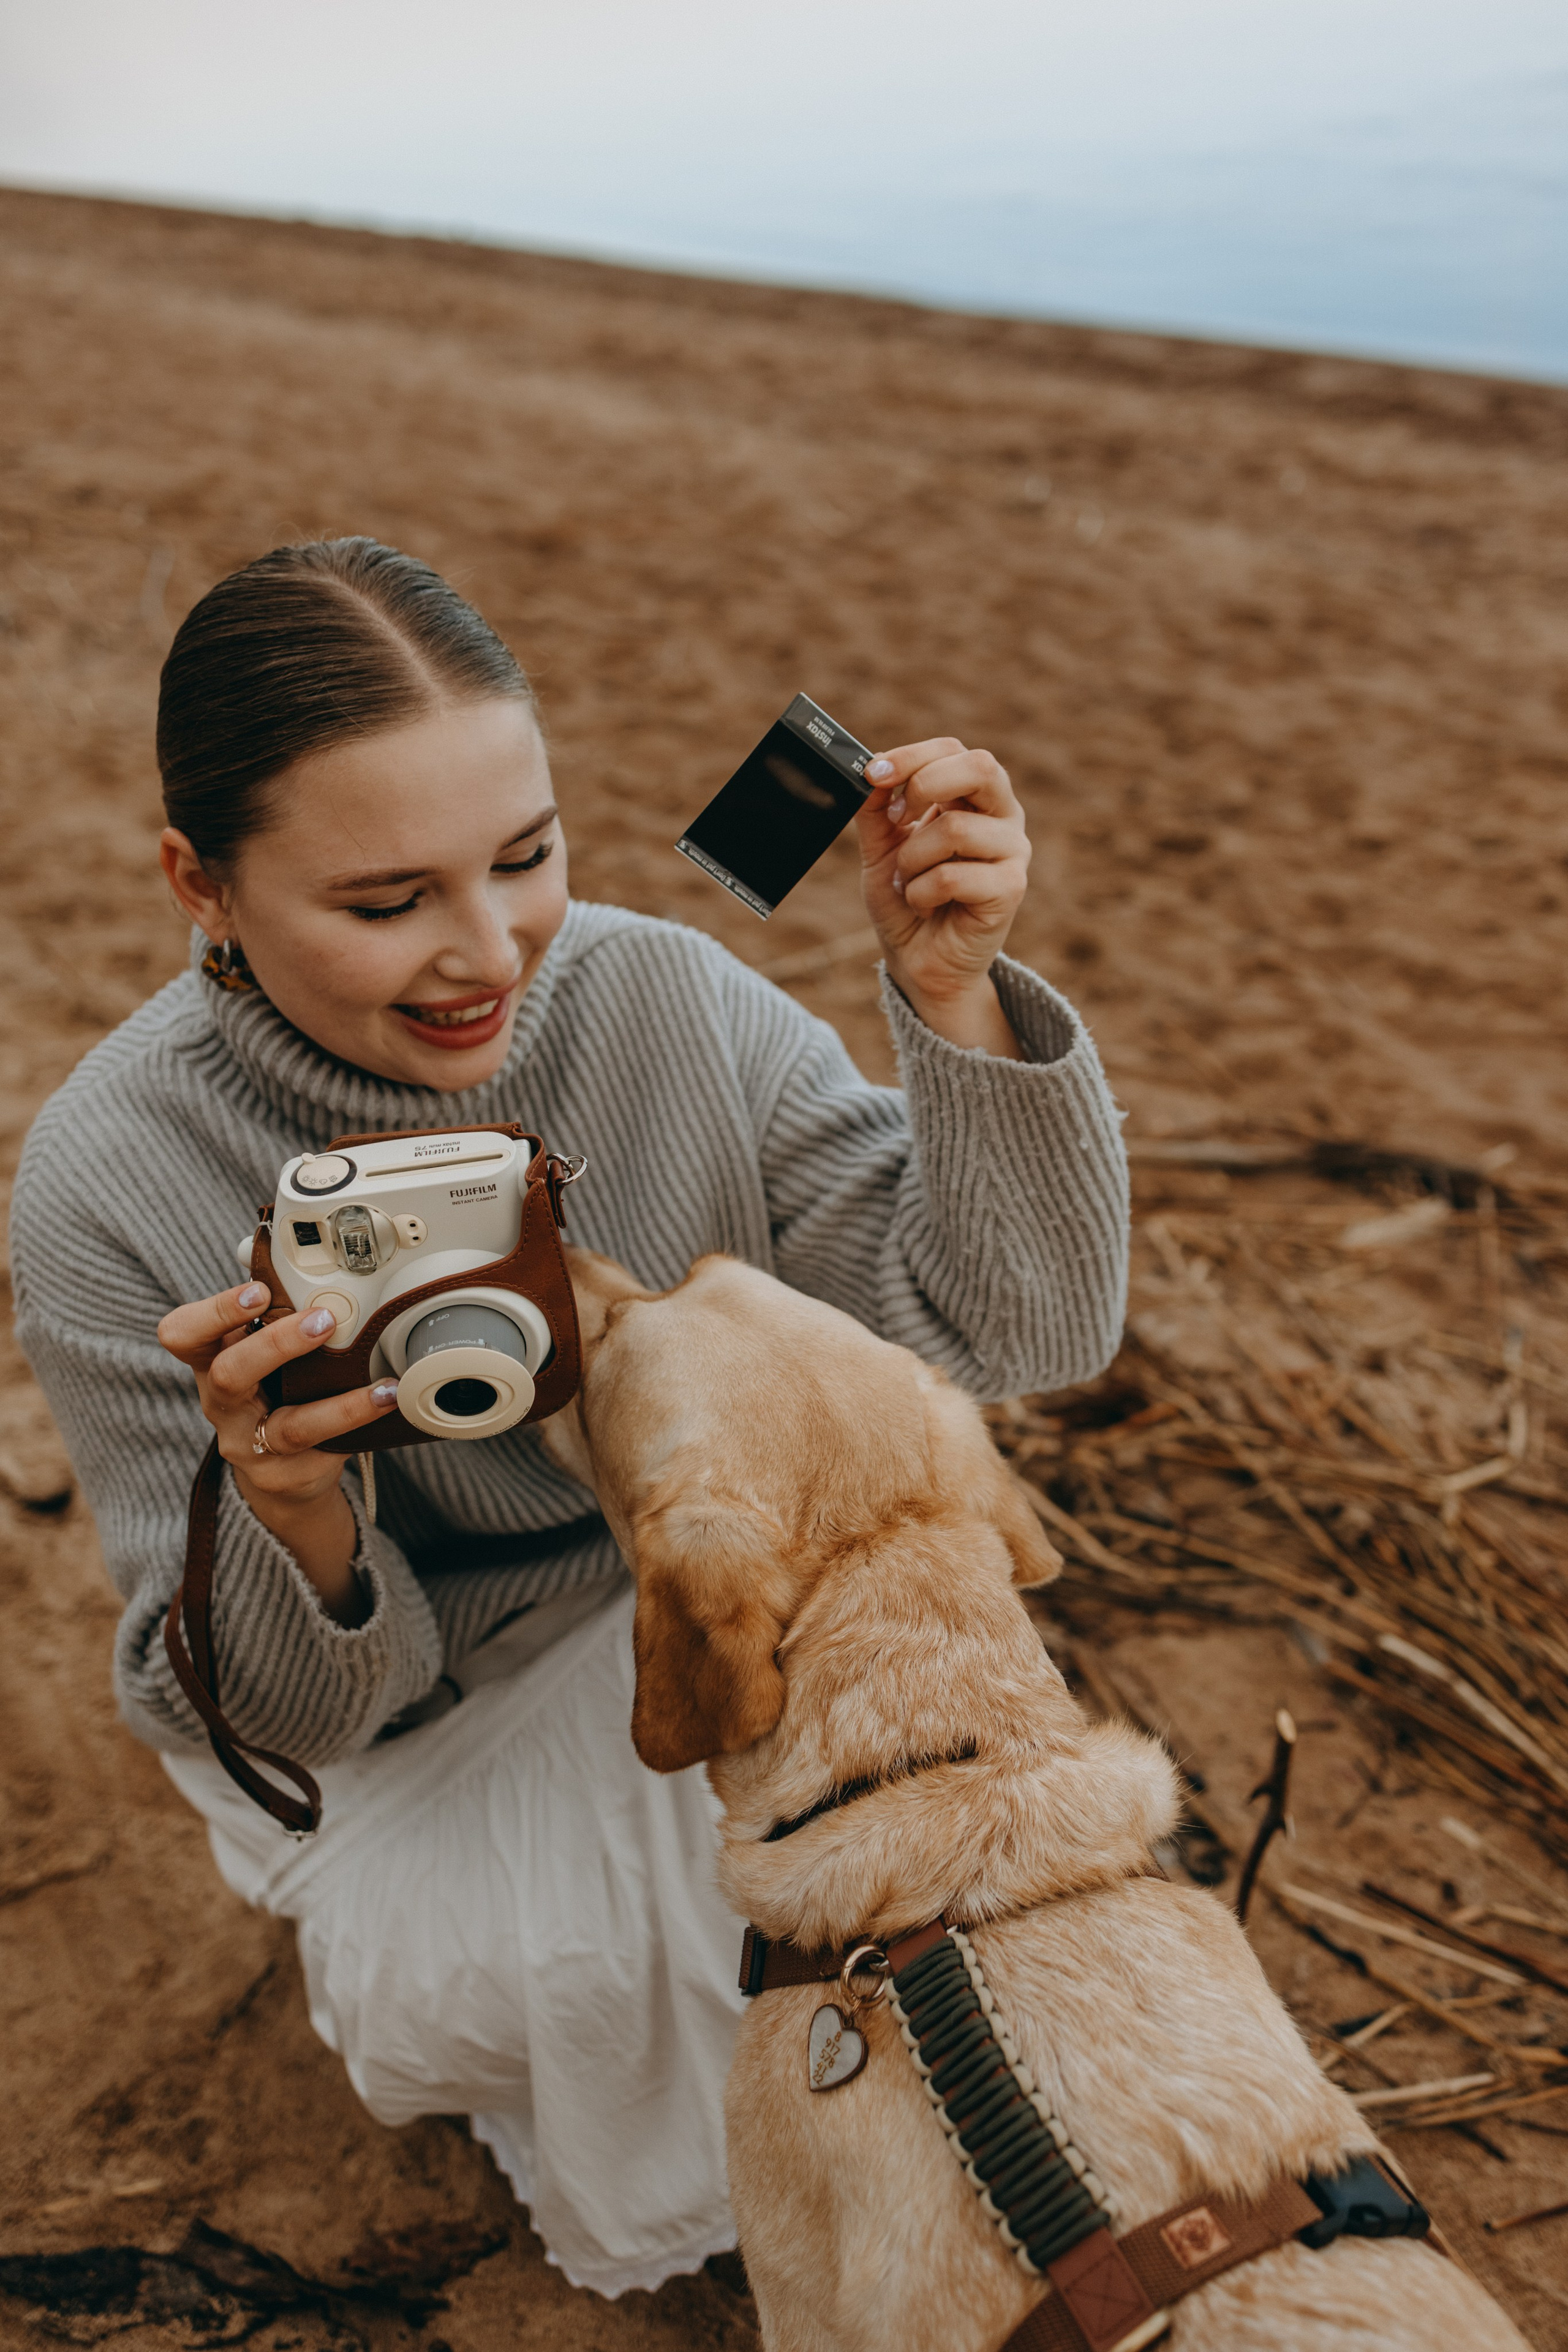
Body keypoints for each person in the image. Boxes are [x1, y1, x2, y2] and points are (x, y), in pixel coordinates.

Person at [11, 537, 1129, 2296]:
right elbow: (288, 1725)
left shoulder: (657, 999)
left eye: (525, 859)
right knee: (638, 1966)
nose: (485, 955)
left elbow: (1018, 1325)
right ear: (199, 885)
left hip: (691, 1604)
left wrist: (951, 998)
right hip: (400, 1715)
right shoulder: (110, 1179)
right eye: (385, 903)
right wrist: (291, 1513)